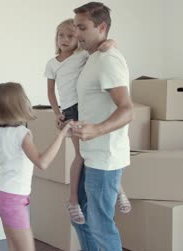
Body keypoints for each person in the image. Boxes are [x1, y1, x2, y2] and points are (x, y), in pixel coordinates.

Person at [0, 82, 72, 251]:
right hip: (13, 200)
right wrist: (62, 135)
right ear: (19, 104)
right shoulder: (21, 133)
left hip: (1, 196)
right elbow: (42, 162)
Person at [44, 18, 131, 225]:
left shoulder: (82, 55)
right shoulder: (52, 63)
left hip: (87, 106)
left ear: (78, 39)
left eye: (71, 35)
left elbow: (107, 46)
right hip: (71, 110)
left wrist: (112, 43)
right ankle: (73, 200)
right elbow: (50, 92)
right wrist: (58, 113)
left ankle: (118, 189)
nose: (65, 39)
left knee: (100, 152)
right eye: (61, 35)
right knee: (81, 155)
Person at [69, 2, 134, 251]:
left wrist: (97, 129)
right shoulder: (94, 56)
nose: (77, 34)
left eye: (82, 28)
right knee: (80, 218)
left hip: (105, 160)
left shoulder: (108, 60)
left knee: (101, 227)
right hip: (89, 154)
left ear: (102, 27)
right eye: (76, 27)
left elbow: (127, 110)